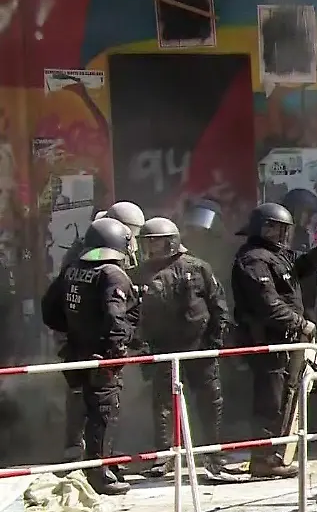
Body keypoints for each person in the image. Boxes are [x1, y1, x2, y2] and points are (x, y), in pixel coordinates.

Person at [229, 202, 317, 478]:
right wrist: (301, 324)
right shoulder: (253, 259)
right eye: (276, 229)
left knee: (285, 397)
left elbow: (295, 272)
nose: (282, 235)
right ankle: (263, 458)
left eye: (284, 230)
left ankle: (274, 454)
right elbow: (269, 304)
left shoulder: (275, 256)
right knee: (271, 400)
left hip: (287, 341)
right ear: (262, 228)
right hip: (269, 341)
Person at [41, 218, 142, 495]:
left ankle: (99, 462)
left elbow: (49, 311)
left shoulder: (73, 270)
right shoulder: (113, 274)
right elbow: (116, 319)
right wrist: (116, 351)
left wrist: (75, 331)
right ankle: (100, 474)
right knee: (105, 412)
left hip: (76, 354)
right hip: (102, 357)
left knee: (84, 411)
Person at [133, 218, 229, 477]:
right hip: (163, 348)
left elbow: (218, 305)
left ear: (171, 242)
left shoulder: (199, 268)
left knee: (210, 400)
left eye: (156, 243)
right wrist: (142, 345)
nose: (151, 249)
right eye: (147, 243)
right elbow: (136, 313)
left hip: (199, 346)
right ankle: (165, 456)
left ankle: (214, 455)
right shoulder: (142, 273)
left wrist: (215, 342)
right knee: (163, 403)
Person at [59, 202, 145, 463]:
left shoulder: (84, 253)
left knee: (87, 399)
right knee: (98, 404)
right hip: (98, 342)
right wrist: (117, 345)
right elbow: (113, 311)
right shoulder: (104, 264)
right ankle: (94, 460)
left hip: (80, 338)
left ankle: (94, 453)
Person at [280, 188, 317, 323]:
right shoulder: (283, 234)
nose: (310, 220)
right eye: (308, 214)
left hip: (306, 303)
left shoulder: (304, 236)